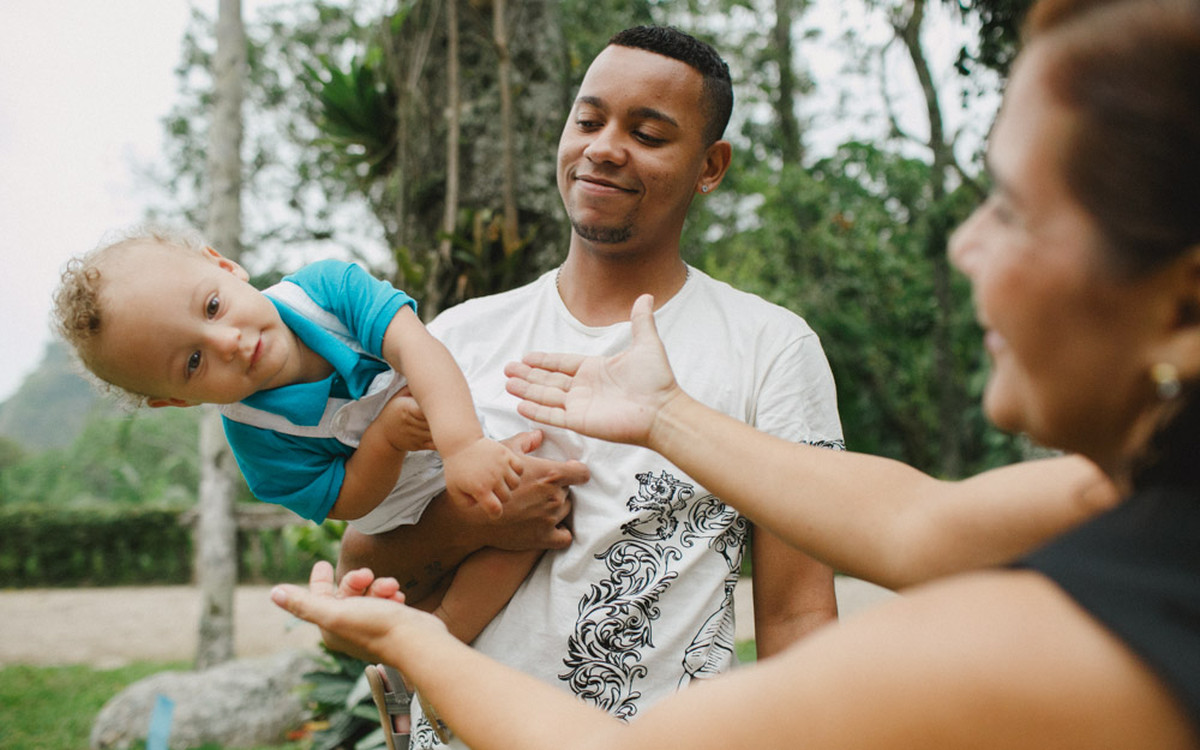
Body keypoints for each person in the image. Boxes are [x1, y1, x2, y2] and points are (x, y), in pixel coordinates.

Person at [271, 0, 1200, 746]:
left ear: (1183, 304)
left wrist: (414, 646)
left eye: (1013, 207)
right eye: (588, 118)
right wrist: (663, 415)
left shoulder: (1077, 632)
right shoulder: (1122, 502)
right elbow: (918, 523)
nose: (963, 243)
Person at [331, 24, 846, 749]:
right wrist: (475, 521)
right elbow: (362, 561)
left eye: (649, 132)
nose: (604, 147)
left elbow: (797, 615)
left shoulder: (770, 348)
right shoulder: (457, 340)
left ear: (711, 165)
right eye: (589, 119)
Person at [50, 231, 544, 652]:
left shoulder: (328, 290)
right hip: (404, 505)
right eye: (194, 362)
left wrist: (462, 447)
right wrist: (387, 438)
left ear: (223, 265)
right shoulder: (258, 441)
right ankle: (441, 652)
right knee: (509, 542)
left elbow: (415, 345)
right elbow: (347, 501)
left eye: (213, 306)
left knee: (542, 495)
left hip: (458, 421)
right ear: (175, 400)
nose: (228, 342)